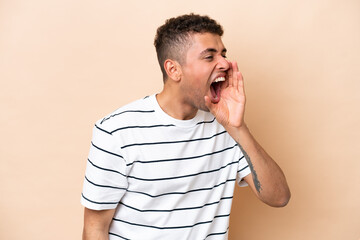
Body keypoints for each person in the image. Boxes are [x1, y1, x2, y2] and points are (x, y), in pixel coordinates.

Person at [81, 13, 290, 240]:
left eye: (223, 54)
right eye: (209, 57)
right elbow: (95, 228)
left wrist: (238, 127)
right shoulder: (116, 132)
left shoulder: (226, 127)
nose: (224, 63)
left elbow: (278, 197)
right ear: (173, 70)